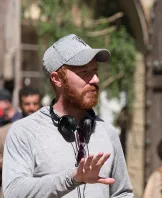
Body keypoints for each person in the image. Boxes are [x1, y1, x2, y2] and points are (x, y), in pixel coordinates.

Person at [2, 34, 133, 197]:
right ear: (57, 79)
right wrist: (72, 178)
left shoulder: (108, 132)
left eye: (95, 71)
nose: (95, 79)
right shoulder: (24, 131)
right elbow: (13, 192)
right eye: (84, 72)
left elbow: (122, 193)